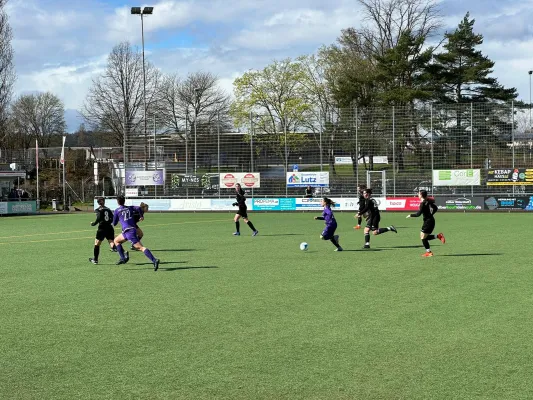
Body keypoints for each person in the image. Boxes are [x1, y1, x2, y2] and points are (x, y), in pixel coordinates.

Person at [112, 195, 160, 271]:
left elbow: (114, 224)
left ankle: (154, 260)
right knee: (116, 240)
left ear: (117, 202)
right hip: (128, 230)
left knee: (140, 247)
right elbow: (138, 208)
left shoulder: (117, 211)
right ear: (124, 201)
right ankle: (122, 258)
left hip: (129, 231)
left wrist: (116, 219)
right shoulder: (129, 207)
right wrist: (141, 216)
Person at [406, 190, 445, 257]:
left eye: (418, 194)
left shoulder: (423, 204)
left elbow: (418, 214)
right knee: (424, 237)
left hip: (428, 222)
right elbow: (435, 208)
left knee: (423, 237)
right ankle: (438, 236)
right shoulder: (428, 201)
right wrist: (431, 214)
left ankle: (429, 252)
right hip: (430, 221)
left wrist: (410, 215)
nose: (418, 195)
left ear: (421, 195)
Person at [89, 197, 116, 264]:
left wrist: (94, 224)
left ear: (98, 203)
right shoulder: (108, 209)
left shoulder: (98, 210)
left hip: (102, 228)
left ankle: (95, 260)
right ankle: (123, 254)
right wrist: (109, 222)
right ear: (104, 202)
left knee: (97, 243)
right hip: (109, 227)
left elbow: (98, 218)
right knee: (111, 242)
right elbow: (112, 218)